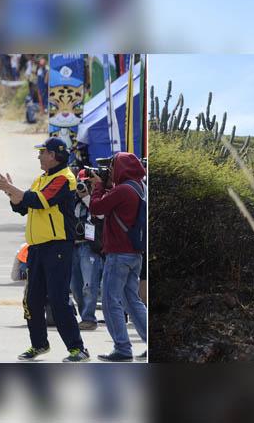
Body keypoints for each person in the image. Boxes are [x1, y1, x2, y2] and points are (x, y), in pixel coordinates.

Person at [0, 137, 90, 362]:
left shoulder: (65, 178)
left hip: (57, 247)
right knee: (32, 300)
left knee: (58, 299)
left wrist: (11, 188)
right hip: (37, 248)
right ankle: (39, 344)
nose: (38, 156)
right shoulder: (41, 179)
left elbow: (40, 200)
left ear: (53, 155)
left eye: (42, 152)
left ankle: (78, 349)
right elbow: (23, 207)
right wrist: (10, 192)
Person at [89, 152, 148, 362]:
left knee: (110, 301)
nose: (111, 171)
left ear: (121, 168)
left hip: (118, 255)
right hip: (134, 254)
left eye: (113, 167)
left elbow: (96, 207)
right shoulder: (138, 187)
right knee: (132, 301)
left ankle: (122, 348)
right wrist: (105, 186)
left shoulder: (122, 190)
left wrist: (98, 186)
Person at [70, 169, 104, 330]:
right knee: (75, 286)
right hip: (72, 245)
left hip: (89, 246)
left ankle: (89, 318)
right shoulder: (72, 198)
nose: (83, 186)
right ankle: (84, 315)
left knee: (89, 285)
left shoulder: (98, 197)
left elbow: (101, 214)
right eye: (80, 183)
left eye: (87, 183)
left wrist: (87, 197)